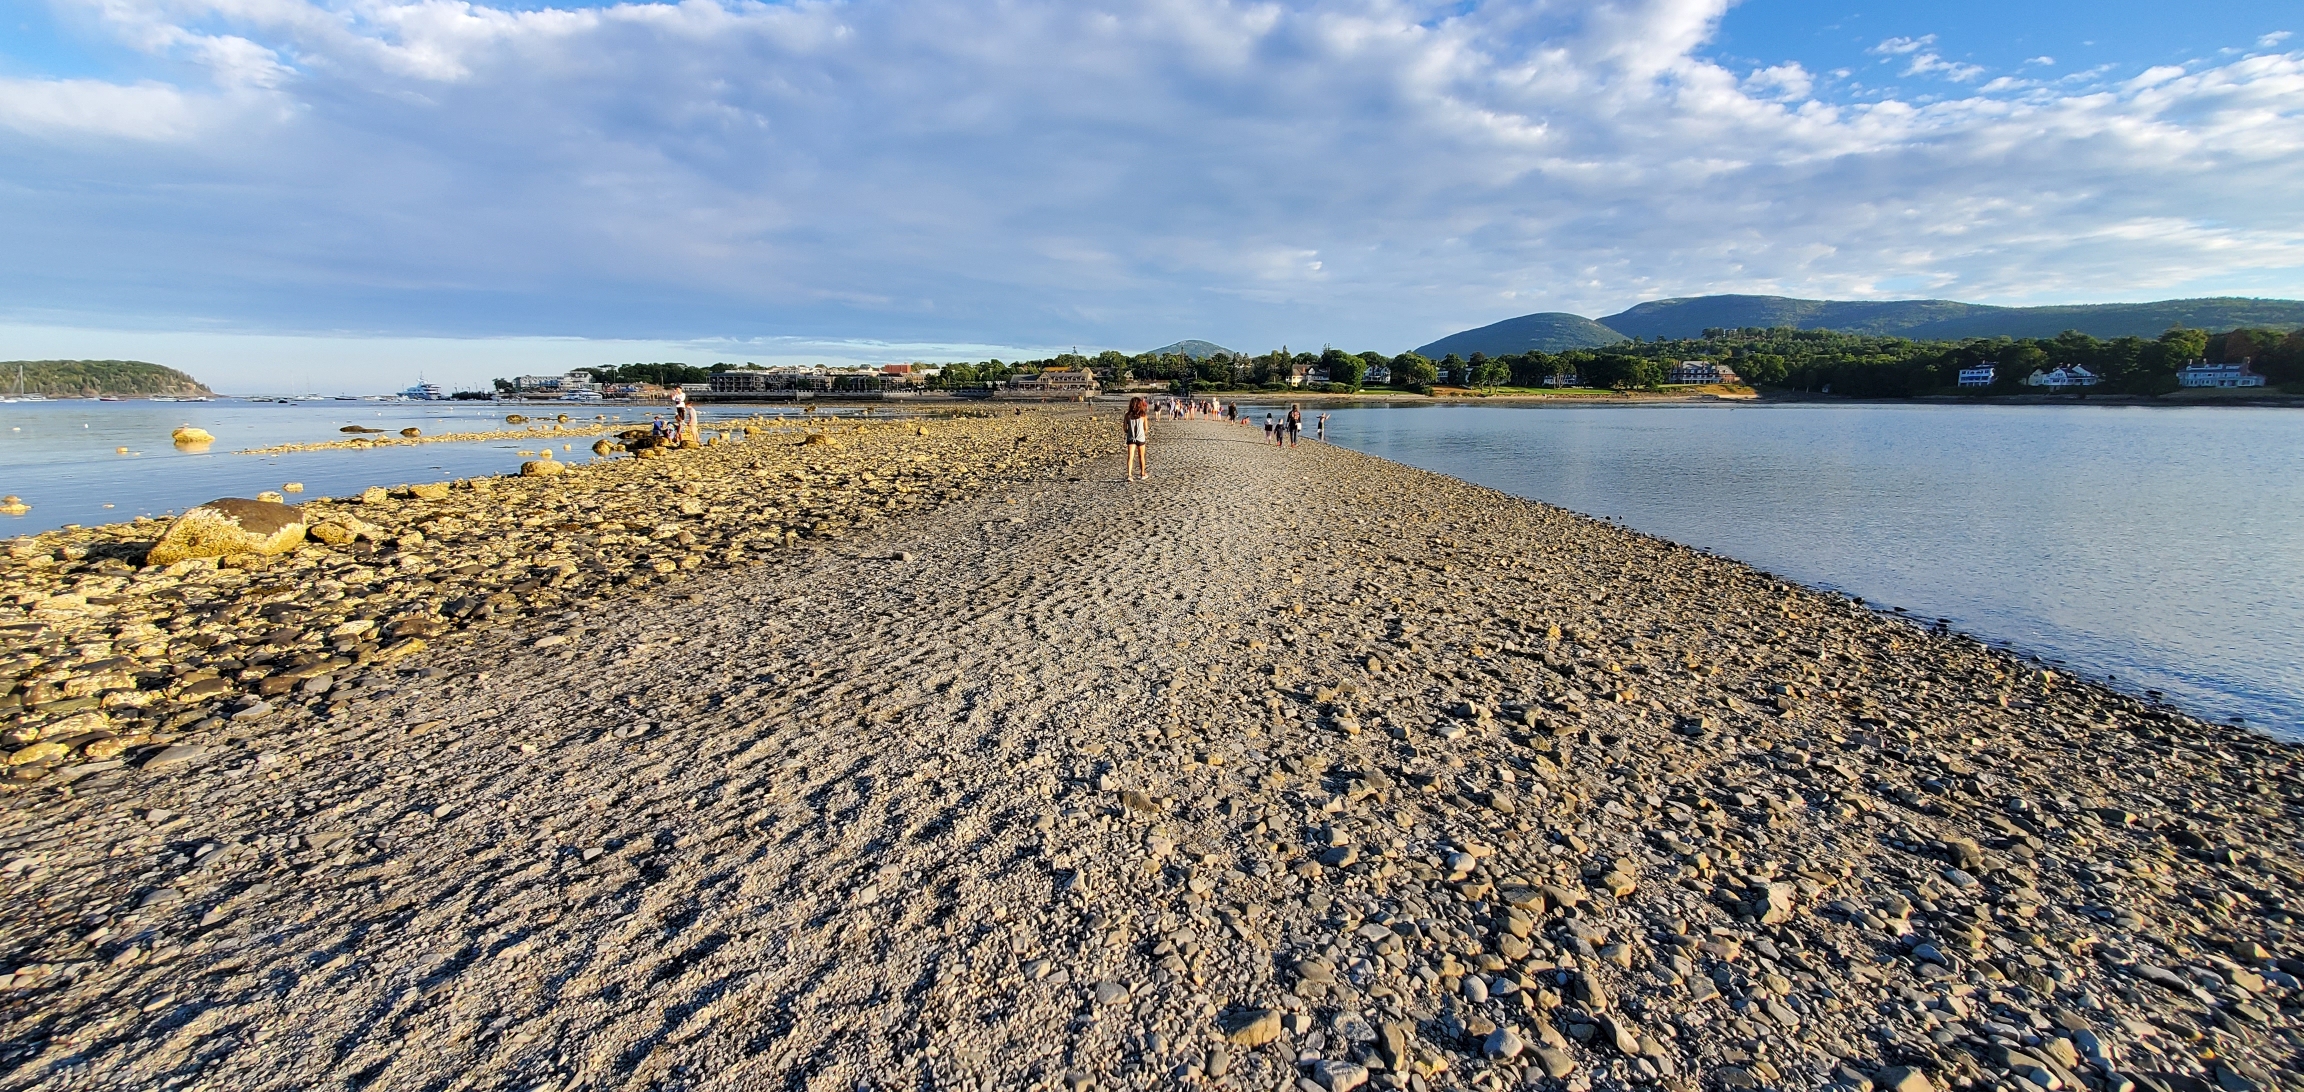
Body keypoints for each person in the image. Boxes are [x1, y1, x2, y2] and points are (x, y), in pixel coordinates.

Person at [1123, 395, 1151, 481]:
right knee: (1141, 456)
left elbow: (1125, 428)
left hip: (1131, 437)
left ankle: (1129, 475)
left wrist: (1129, 431)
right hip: (1141, 437)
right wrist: (1142, 432)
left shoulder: (1127, 415)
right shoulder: (1143, 415)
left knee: (1130, 456)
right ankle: (1142, 473)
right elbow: (1146, 428)